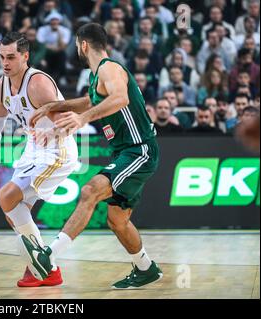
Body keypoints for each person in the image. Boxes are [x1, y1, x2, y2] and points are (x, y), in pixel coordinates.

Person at [23, 23, 162, 289]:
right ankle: (146, 268)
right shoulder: (96, 77)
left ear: (83, 45)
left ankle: (48, 257)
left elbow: (120, 98)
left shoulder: (110, 68)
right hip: (125, 151)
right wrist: (55, 106)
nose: (77, 49)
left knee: (90, 190)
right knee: (118, 221)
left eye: (77, 45)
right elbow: (89, 101)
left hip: (138, 148)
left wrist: (83, 119)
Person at [0, 32, 78, 287]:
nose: (5, 63)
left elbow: (70, 123)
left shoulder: (38, 84)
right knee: (14, 212)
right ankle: (43, 268)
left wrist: (51, 131)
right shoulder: (0, 88)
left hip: (58, 149)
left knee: (7, 196)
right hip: (33, 149)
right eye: (2, 57)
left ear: (25, 56)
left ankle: (42, 266)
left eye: (11, 57)